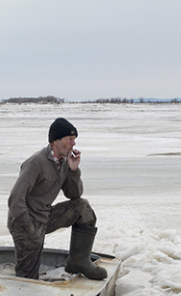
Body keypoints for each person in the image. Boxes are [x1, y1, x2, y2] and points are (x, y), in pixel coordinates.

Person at [7, 117, 107, 280]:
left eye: (74, 139)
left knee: (82, 208)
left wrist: (73, 170)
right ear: (56, 140)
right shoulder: (36, 162)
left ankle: (78, 260)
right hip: (24, 224)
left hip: (45, 216)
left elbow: (74, 195)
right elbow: (15, 199)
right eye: (70, 139)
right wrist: (27, 227)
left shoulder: (64, 162)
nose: (74, 143)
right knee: (27, 278)